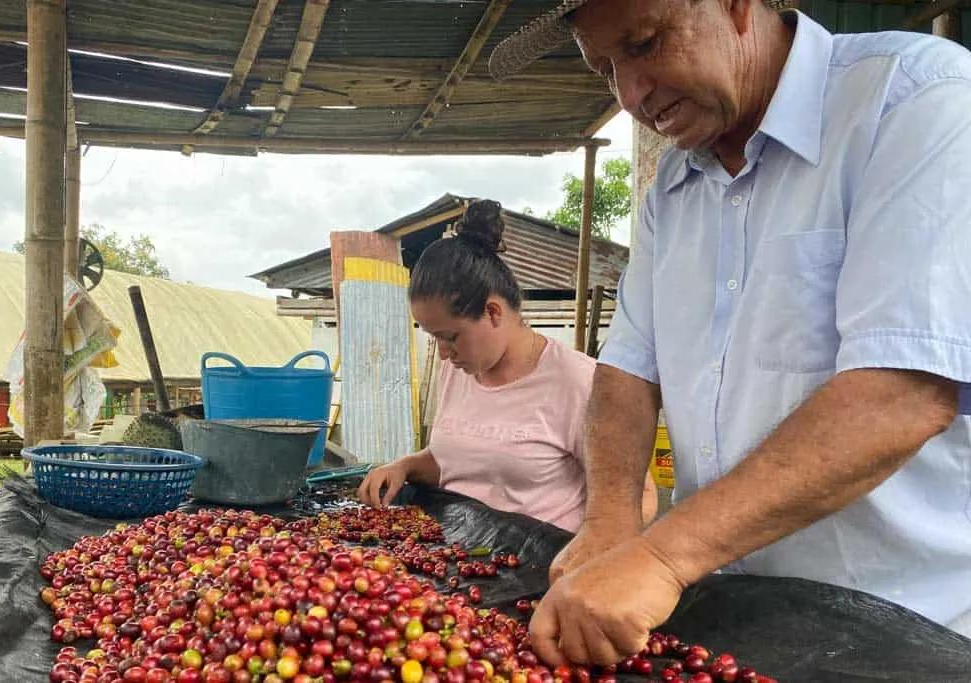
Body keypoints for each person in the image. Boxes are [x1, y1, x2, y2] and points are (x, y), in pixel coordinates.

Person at [487, 0, 971, 666]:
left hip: (904, 636)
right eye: (606, 69)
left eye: (644, 43)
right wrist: (610, 519)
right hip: (725, 620)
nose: (631, 94)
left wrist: (659, 554)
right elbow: (628, 370)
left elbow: (902, 392)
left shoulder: (916, 100)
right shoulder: (670, 192)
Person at [356, 199, 658, 532]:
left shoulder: (579, 382)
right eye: (434, 338)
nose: (443, 353)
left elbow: (639, 497)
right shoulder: (458, 369)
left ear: (493, 312)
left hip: (543, 569)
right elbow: (464, 461)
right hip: (462, 560)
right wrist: (406, 465)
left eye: (451, 337)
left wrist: (593, 555)